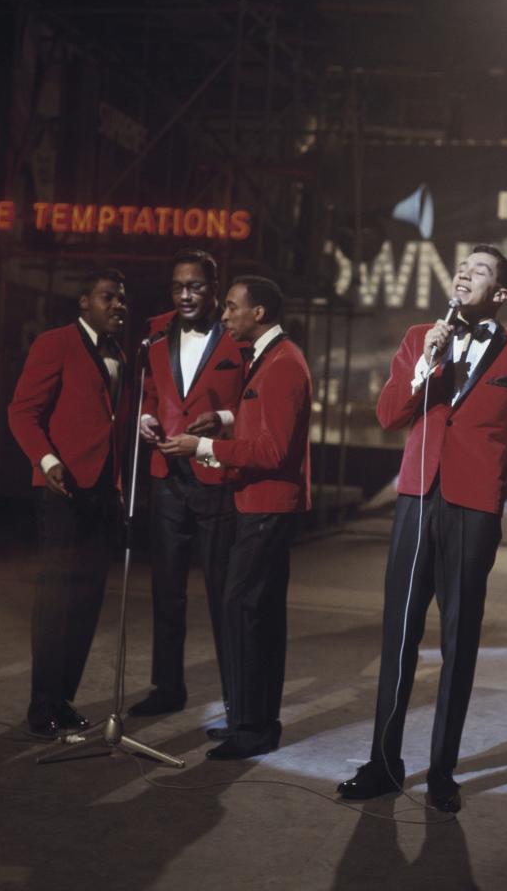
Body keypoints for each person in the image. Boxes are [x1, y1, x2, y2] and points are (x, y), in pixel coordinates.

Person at [336, 245, 507, 813]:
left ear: (501, 293)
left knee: (459, 642)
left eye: (479, 271)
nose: (464, 274)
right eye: (462, 267)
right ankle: (383, 764)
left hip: (474, 508)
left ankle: (442, 771)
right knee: (399, 636)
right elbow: (390, 416)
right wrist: (422, 365)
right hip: (416, 498)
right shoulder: (420, 337)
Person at [167, 276, 312, 759]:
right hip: (262, 503)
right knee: (256, 613)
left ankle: (251, 728)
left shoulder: (283, 365)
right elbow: (264, 419)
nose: (223, 315)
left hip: (267, 505)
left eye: (231, 308)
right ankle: (252, 722)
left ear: (259, 313)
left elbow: (272, 451)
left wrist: (201, 446)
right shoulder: (272, 359)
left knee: (243, 610)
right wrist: (225, 420)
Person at [8, 268, 129, 738]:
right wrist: (47, 458)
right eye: (107, 297)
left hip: (102, 491)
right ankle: (41, 703)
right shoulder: (55, 342)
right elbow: (21, 411)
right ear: (84, 302)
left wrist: (116, 487)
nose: (117, 305)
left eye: (122, 299)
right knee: (55, 599)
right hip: (61, 489)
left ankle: (63, 698)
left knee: (87, 599)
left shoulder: (120, 351)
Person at [129, 249, 246, 718]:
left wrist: (222, 419)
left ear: (214, 289)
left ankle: (236, 695)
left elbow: (255, 406)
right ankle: (167, 687)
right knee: (166, 589)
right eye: (178, 287)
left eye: (195, 286)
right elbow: (153, 393)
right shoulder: (156, 336)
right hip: (167, 477)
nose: (185, 295)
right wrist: (145, 417)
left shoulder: (238, 338)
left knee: (223, 592)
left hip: (217, 474)